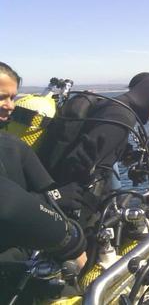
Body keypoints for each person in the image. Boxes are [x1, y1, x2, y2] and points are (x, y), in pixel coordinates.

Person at [0, 62, 88, 303]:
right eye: (1, 97)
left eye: (13, 97)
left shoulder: (12, 145)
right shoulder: (11, 146)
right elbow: (8, 204)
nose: (9, 106)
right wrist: (71, 241)